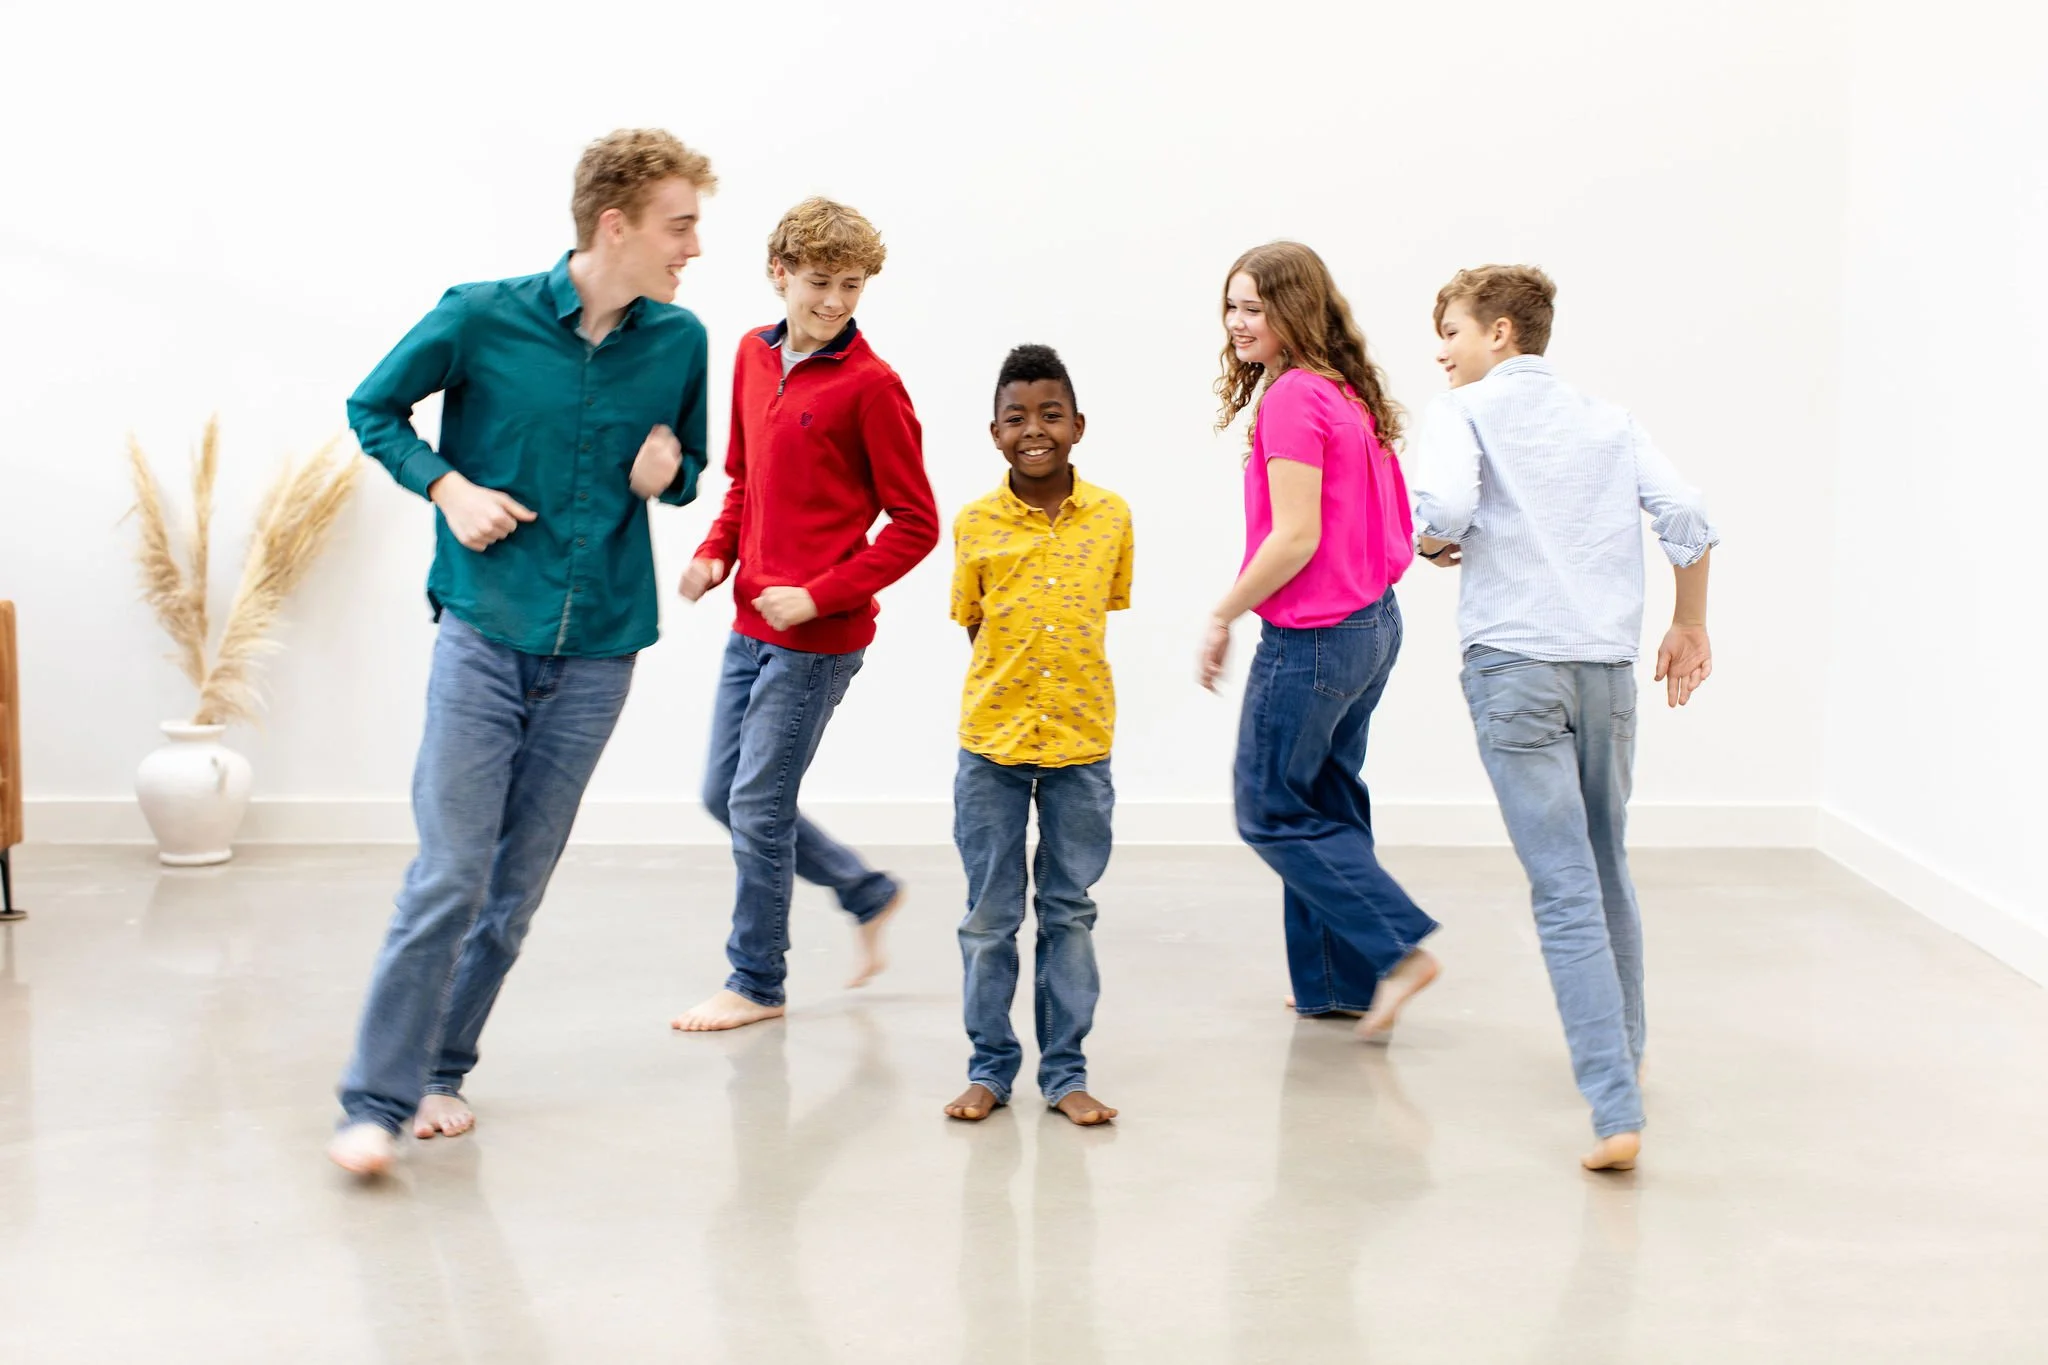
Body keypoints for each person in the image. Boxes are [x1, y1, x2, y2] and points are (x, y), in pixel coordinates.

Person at [329, 129, 716, 1176]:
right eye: (679, 226)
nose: (693, 247)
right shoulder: (479, 315)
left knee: (514, 888)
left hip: (598, 651)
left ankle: (443, 1070)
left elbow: (687, 469)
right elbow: (373, 408)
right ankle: (372, 1100)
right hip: (484, 629)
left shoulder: (679, 341)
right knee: (450, 871)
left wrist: (669, 471)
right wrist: (446, 488)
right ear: (615, 223)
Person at [1409, 264, 1718, 1172]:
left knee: (1563, 886)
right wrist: (1690, 621)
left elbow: (1447, 509)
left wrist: (1430, 539)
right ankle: (1627, 1049)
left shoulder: (1460, 413)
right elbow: (1687, 516)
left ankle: (1614, 1108)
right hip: (1604, 675)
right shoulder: (1607, 420)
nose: (1443, 352)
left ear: (1501, 332)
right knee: (1605, 864)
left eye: (1454, 333)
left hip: (1515, 671)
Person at [670, 198, 940, 1033]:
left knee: (756, 803)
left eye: (851, 286)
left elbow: (918, 523)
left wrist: (822, 593)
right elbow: (744, 479)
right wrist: (717, 554)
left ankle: (757, 980)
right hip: (750, 623)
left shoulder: (873, 387)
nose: (834, 301)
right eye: (820, 282)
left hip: (818, 639)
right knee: (727, 793)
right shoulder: (753, 357)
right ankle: (866, 890)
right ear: (779, 272)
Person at [1199, 241, 1441, 1042]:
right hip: (1371, 627)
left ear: (1293, 310)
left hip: (1314, 638)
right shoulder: (1344, 391)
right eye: (1232, 305)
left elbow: (1295, 538)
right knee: (1326, 802)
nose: (1238, 322)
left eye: (1255, 307)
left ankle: (1399, 945)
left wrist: (1223, 612)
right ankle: (1339, 983)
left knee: (1269, 808)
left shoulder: (1293, 400)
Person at [944, 344, 1132, 1127]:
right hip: (991, 745)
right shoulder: (975, 524)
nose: (1035, 429)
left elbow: (1105, 609)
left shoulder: (1113, 517)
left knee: (1069, 910)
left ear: (1077, 425)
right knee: (990, 918)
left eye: (1050, 414)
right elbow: (974, 623)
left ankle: (1066, 1072)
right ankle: (989, 1068)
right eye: (1016, 416)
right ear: (994, 432)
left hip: (1081, 747)